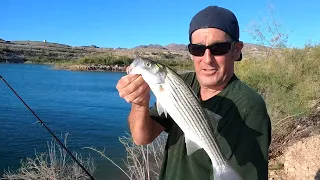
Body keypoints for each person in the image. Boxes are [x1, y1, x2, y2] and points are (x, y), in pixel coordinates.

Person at [116, 5, 272, 180]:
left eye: (218, 48)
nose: (207, 59)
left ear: (236, 50)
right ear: (190, 53)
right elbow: (141, 138)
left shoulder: (250, 107)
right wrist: (140, 103)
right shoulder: (184, 83)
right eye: (197, 49)